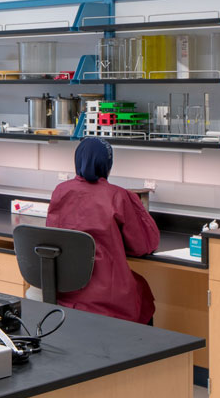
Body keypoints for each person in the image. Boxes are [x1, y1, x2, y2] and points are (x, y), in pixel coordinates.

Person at [44, 137, 160, 325]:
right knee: (143, 295)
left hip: (66, 292)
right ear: (108, 164)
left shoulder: (60, 191)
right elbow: (144, 245)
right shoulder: (117, 195)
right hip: (107, 297)